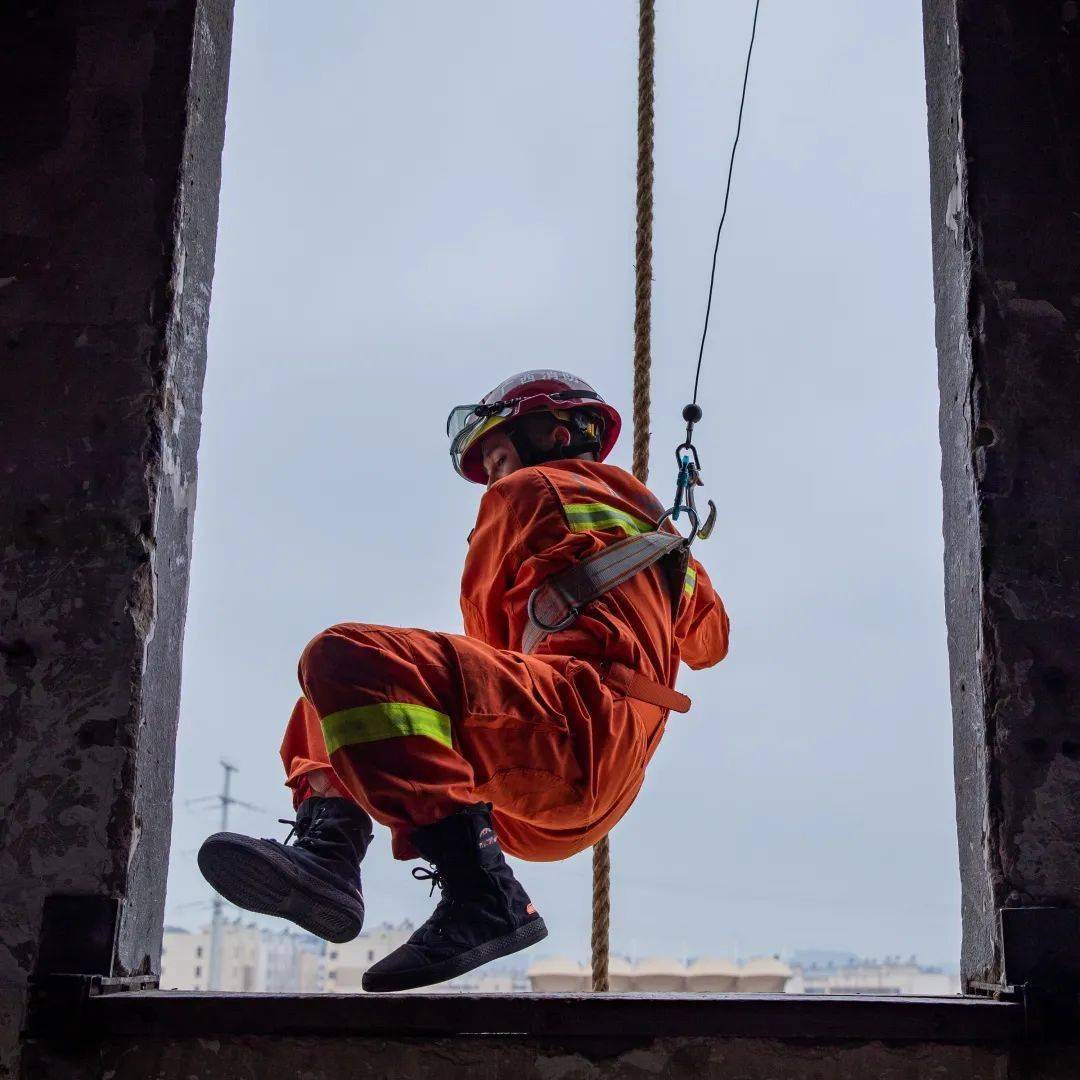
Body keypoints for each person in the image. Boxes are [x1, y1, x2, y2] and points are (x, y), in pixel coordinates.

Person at [198, 369, 729, 993]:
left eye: (498, 458)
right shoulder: (668, 545)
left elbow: (487, 630)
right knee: (331, 695)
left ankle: (478, 892)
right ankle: (330, 860)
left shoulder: (526, 491)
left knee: (345, 659)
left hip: (565, 729)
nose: (496, 478)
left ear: (553, 435)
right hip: (600, 776)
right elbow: (710, 644)